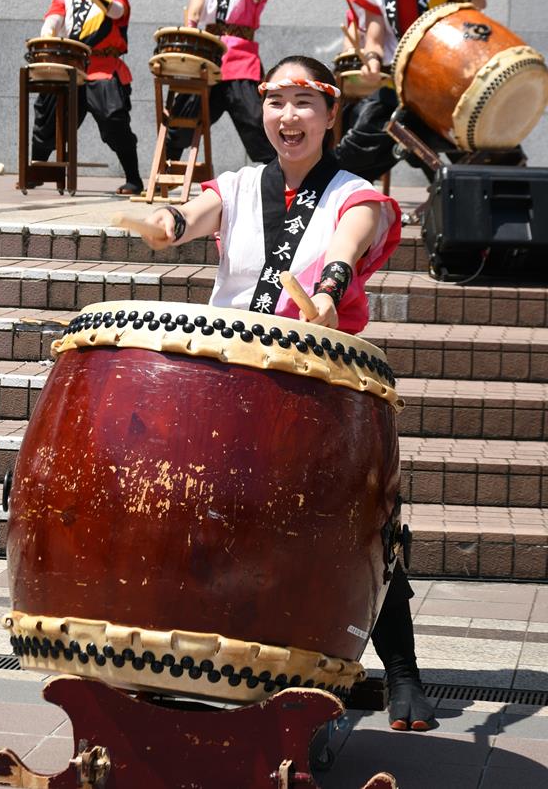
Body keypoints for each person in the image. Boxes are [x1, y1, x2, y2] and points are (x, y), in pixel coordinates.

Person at [142, 53, 434, 733]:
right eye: (274, 100)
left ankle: (404, 670)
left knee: (358, 520)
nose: (286, 115)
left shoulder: (353, 192)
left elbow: (357, 233)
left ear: (332, 113)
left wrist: (330, 286)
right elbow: (194, 210)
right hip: (230, 381)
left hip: (318, 381)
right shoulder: (241, 185)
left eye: (303, 101)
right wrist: (167, 220)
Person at [333, 0, 486, 183]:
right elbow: (376, 39)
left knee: (470, 143)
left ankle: (472, 191)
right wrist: (372, 61)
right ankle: (337, 188)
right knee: (369, 135)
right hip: (408, 81)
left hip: (455, 74)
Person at [31, 0, 143, 195]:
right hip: (69, 66)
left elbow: (117, 12)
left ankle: (134, 178)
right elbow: (52, 22)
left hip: (102, 67)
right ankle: (36, 171)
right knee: (48, 118)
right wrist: (48, 37)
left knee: (115, 121)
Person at [167, 0, 276, 165]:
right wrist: (190, 32)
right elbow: (195, 9)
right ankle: (166, 170)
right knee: (180, 116)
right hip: (207, 58)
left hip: (241, 62)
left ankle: (282, 176)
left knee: (255, 120)